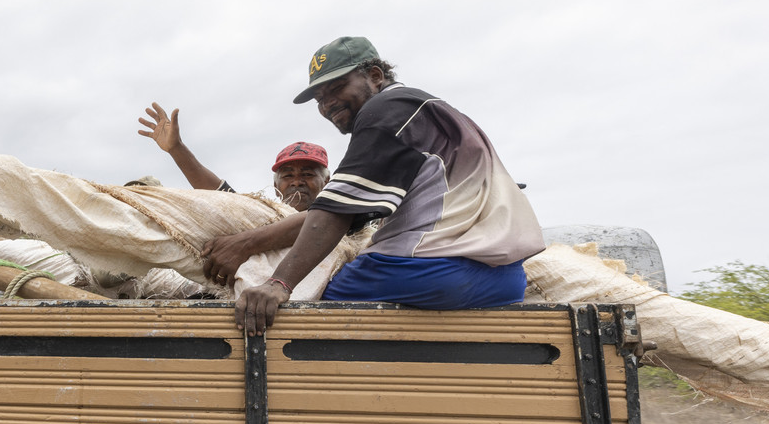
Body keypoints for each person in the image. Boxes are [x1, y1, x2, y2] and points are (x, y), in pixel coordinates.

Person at [235, 36, 544, 334]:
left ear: (375, 76)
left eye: (337, 88)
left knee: (317, 310)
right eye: (319, 99)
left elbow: (337, 211)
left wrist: (279, 283)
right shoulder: (439, 112)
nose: (328, 104)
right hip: (504, 279)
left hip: (428, 271)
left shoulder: (386, 109)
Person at [137, 104, 331, 284]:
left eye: (307, 174)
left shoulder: (339, 219)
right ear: (275, 186)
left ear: (327, 182)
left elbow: (318, 222)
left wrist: (244, 245)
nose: (297, 181)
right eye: (288, 175)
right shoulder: (260, 219)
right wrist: (176, 149)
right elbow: (221, 197)